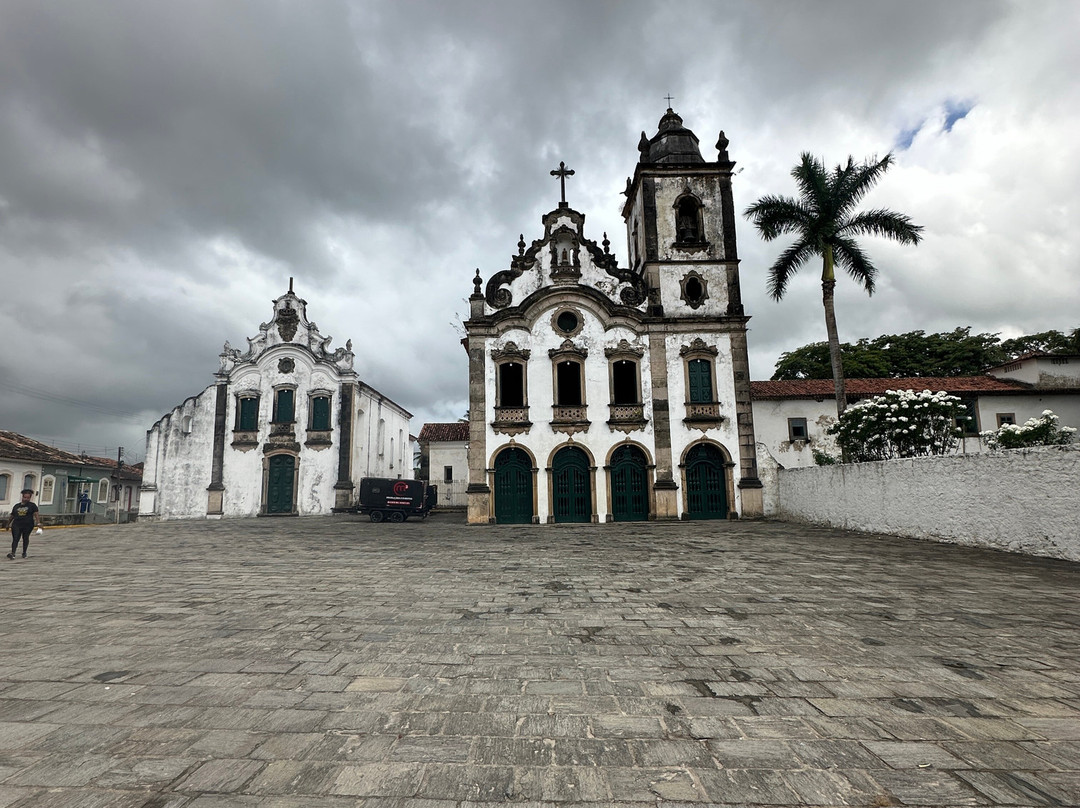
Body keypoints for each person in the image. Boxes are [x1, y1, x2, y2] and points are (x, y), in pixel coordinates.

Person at [9, 488, 41, 560]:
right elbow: (12, 515)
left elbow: (36, 514)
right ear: (22, 497)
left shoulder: (32, 506)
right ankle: (13, 553)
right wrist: (8, 524)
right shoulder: (17, 506)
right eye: (24, 497)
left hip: (28, 525)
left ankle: (24, 552)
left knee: (25, 538)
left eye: (28, 498)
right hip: (16, 524)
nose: (26, 499)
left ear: (30, 498)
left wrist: (38, 522)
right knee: (15, 538)